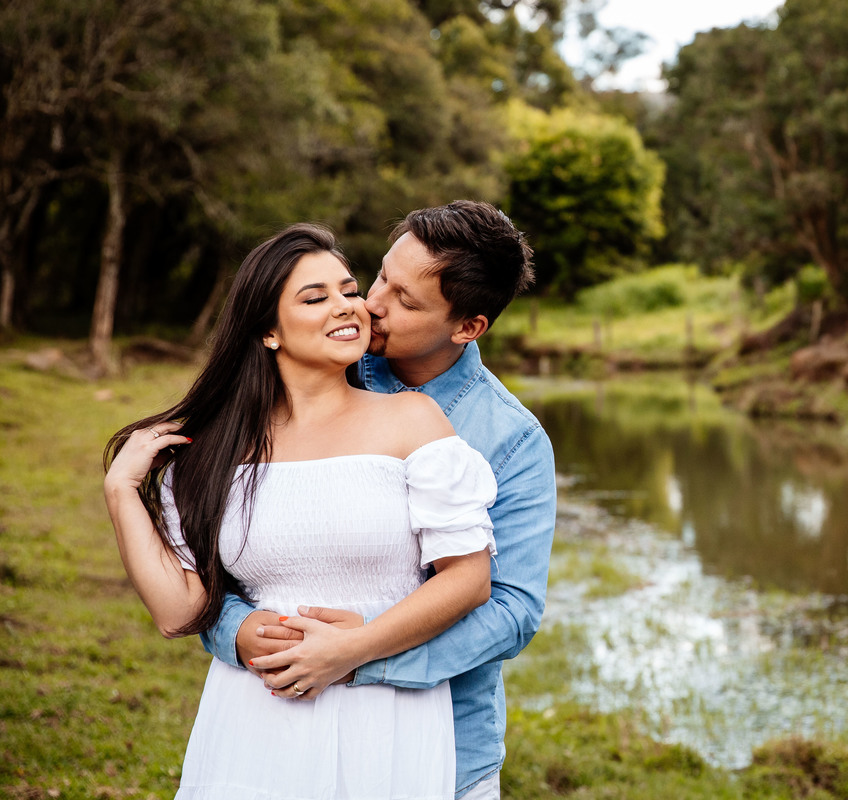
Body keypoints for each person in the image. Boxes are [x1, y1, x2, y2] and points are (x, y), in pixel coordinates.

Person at [104, 222, 499, 799]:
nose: (348, 307)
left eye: (348, 289)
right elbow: (176, 611)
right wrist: (121, 490)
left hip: (384, 719)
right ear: (267, 329)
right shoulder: (214, 453)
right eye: (316, 299)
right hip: (254, 717)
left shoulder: (412, 421)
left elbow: (469, 579)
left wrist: (353, 648)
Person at [199, 201, 557, 800]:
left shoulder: (511, 438)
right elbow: (225, 543)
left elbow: (512, 609)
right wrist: (237, 630)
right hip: (277, 727)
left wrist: (359, 652)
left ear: (467, 327)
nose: (371, 304)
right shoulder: (316, 364)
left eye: (407, 301)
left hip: (441, 741)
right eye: (382, 275)